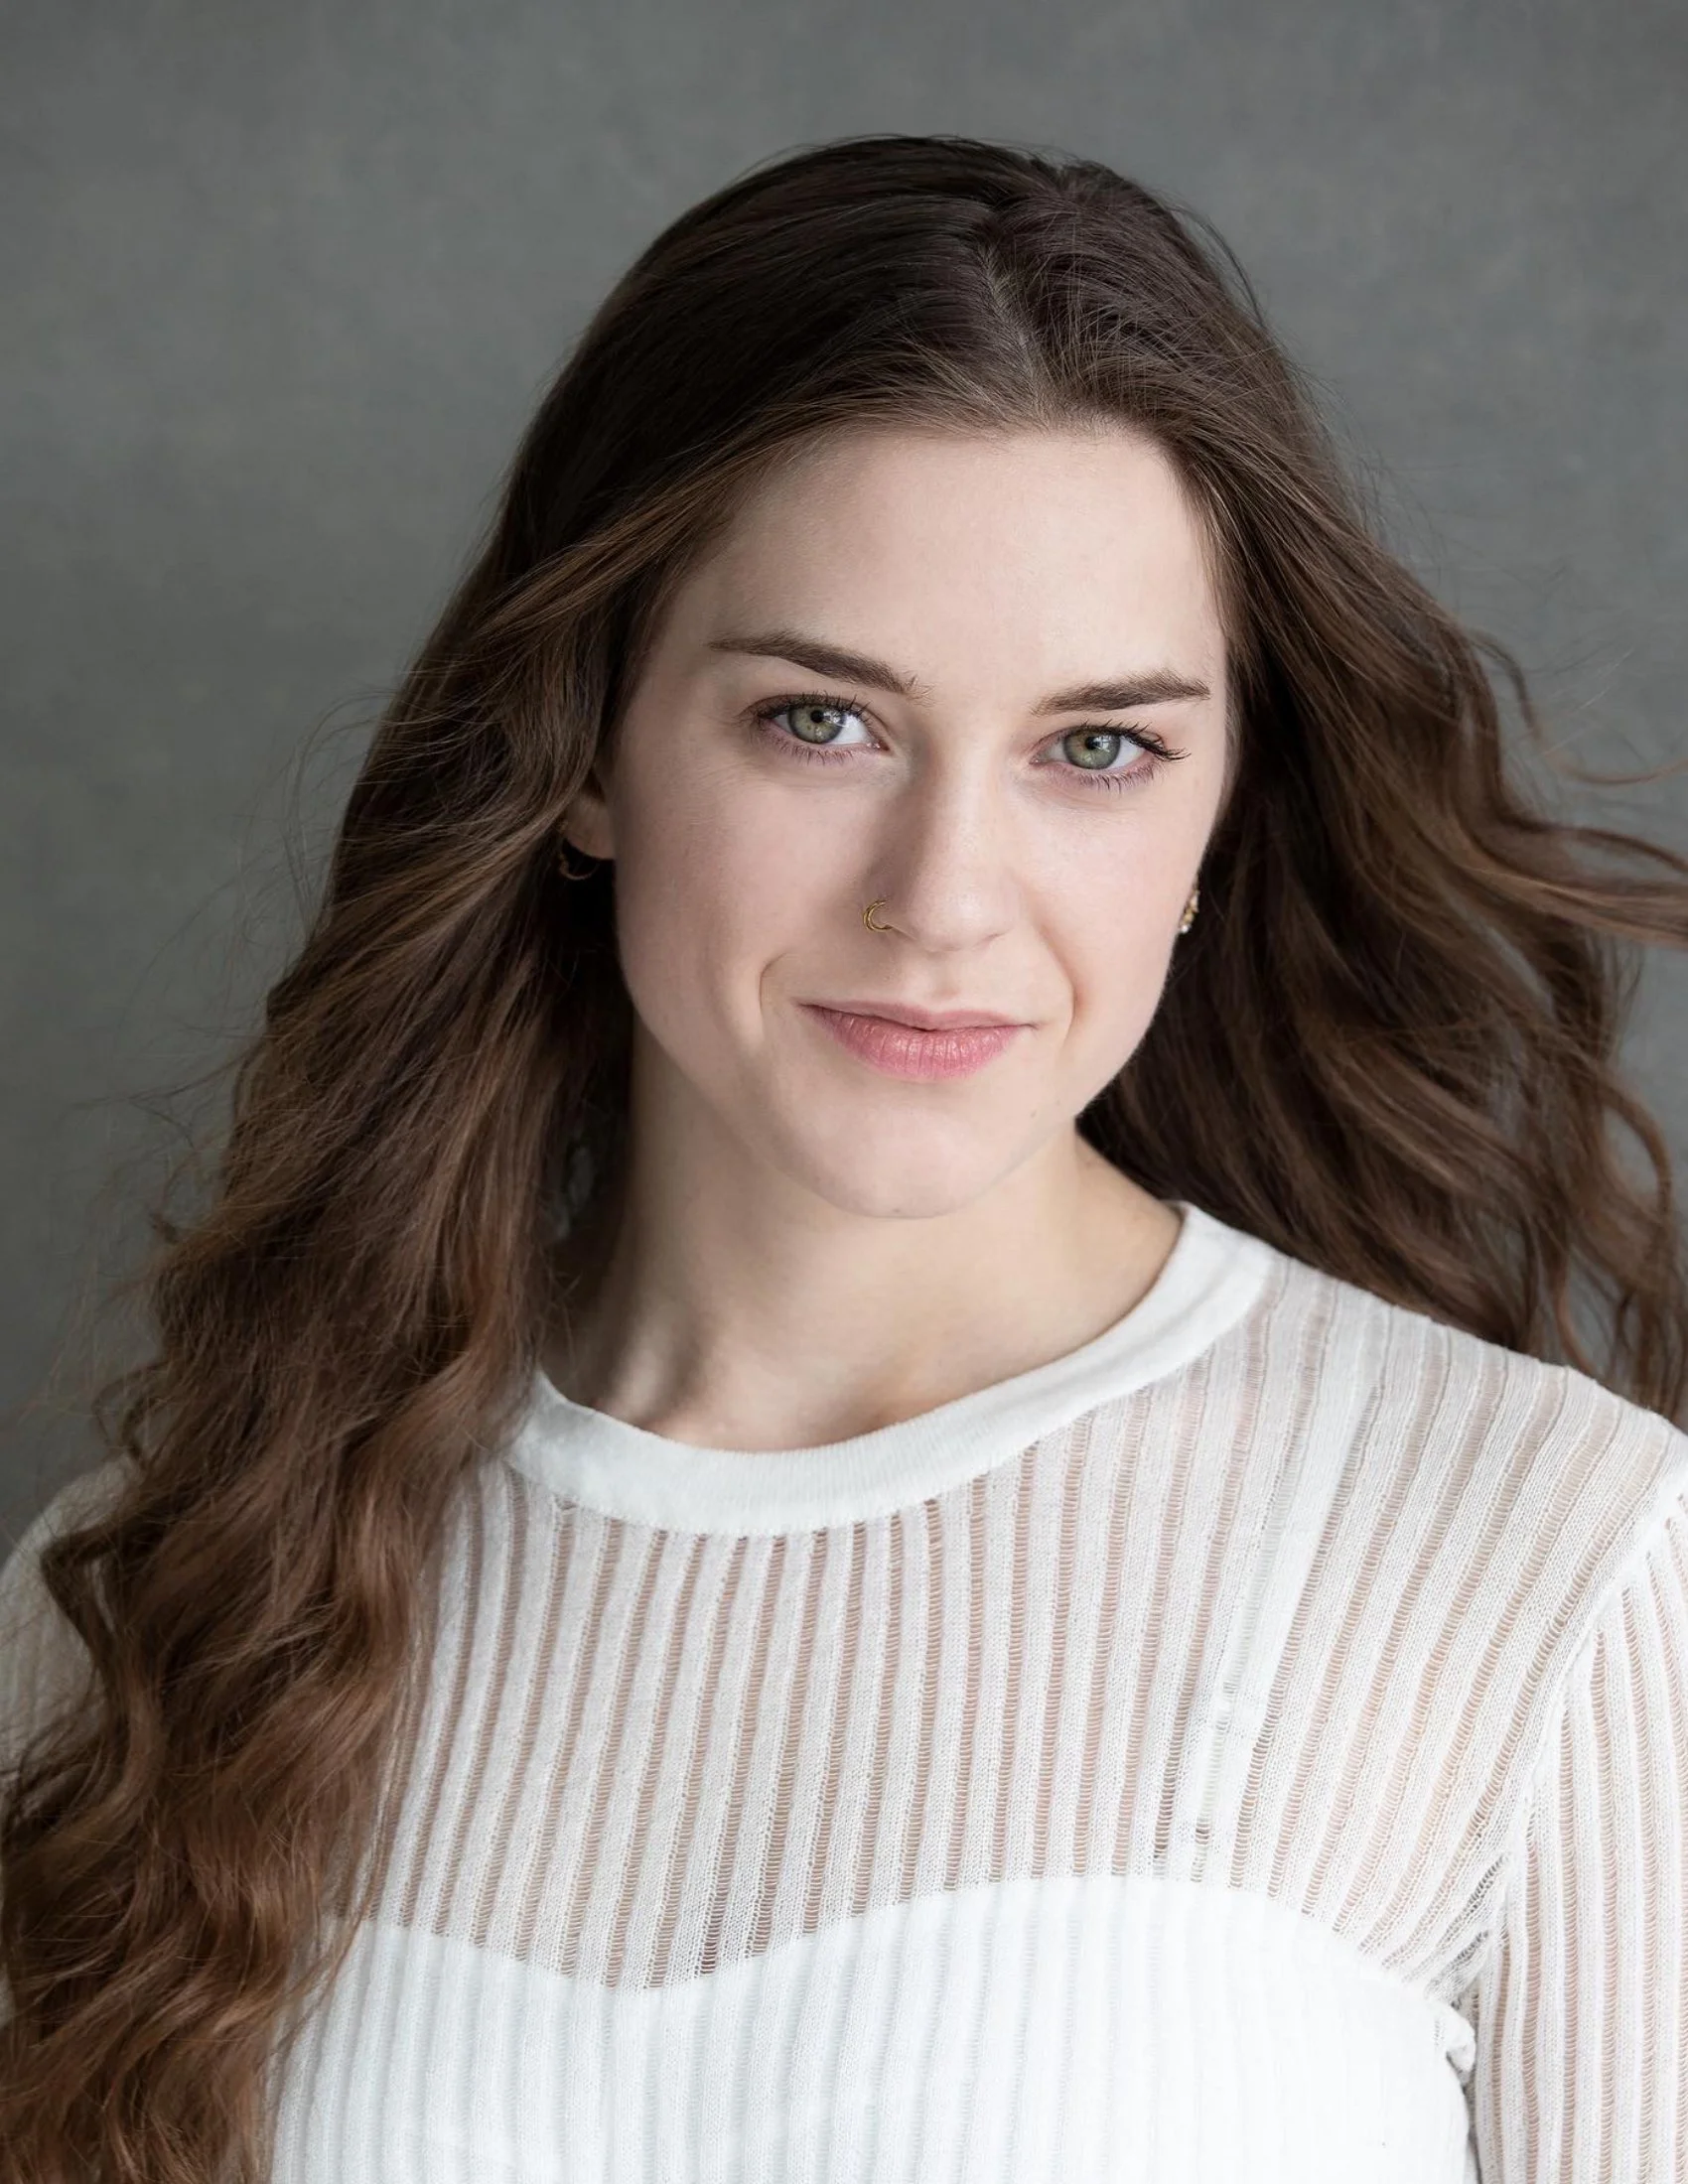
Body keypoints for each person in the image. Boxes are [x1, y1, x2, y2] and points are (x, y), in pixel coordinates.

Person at [2, 134, 1686, 2184]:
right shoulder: (163, 1589)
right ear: (588, 750)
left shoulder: (1542, 1556)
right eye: (820, 720)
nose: (943, 896)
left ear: (1218, 814)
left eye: (1096, 748)